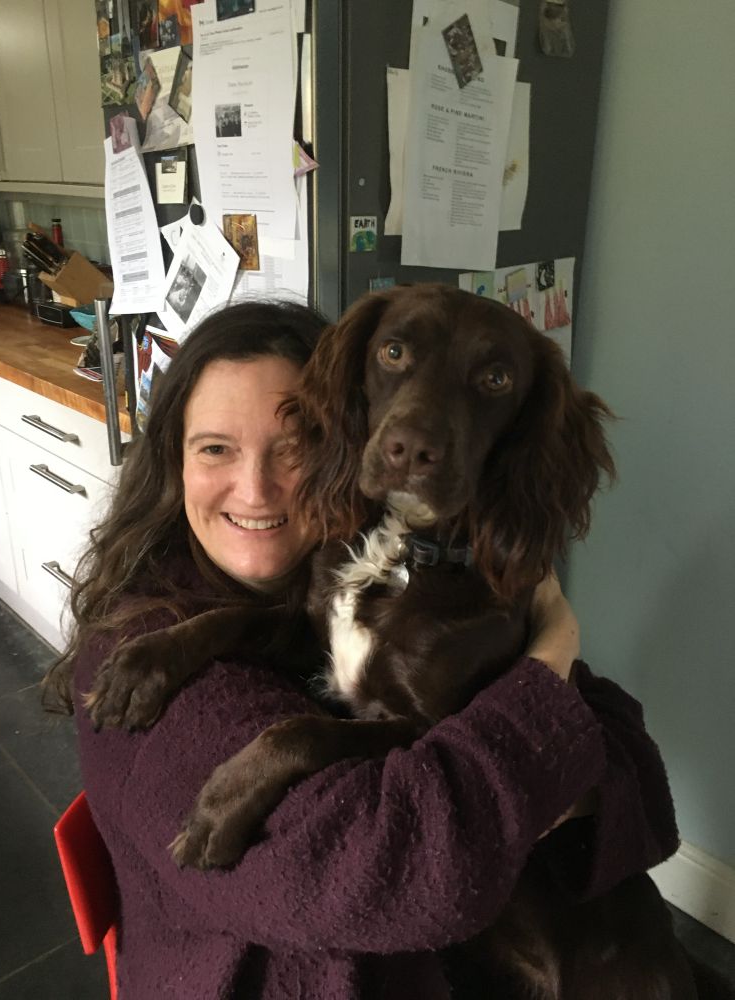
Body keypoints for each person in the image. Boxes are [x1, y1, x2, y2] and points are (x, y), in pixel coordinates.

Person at [43, 299, 679, 1000]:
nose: (256, 489)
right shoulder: (141, 657)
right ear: (172, 459)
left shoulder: (352, 567)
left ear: (330, 435)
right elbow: (396, 874)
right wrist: (552, 661)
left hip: (569, 960)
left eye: (289, 445)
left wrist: (557, 760)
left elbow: (628, 757)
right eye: (215, 448)